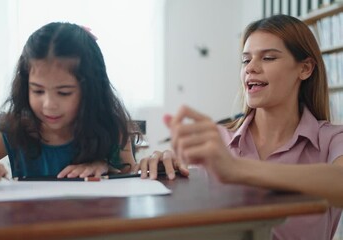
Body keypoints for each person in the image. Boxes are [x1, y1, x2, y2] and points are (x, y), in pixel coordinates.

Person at [140, 15, 343, 240]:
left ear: (305, 69)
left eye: (268, 58)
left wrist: (237, 169)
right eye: (246, 60)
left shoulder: (332, 139)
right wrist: (165, 166)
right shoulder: (216, 140)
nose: (251, 68)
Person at [0, 22, 139, 191]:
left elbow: (128, 179)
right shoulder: (16, 130)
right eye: (38, 91)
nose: (49, 105)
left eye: (64, 92)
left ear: (91, 90)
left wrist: (104, 166)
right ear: (25, 87)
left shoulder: (112, 129)